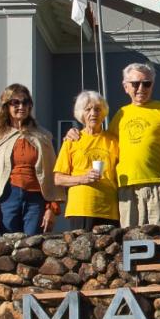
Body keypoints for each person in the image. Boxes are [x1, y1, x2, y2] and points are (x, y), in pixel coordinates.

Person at [67, 64, 160, 227]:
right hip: (126, 187)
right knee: (129, 237)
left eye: (146, 83)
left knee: (159, 236)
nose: (141, 88)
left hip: (158, 185)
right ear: (126, 87)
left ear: (152, 85)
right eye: (135, 84)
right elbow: (101, 139)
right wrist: (74, 132)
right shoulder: (121, 114)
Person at [0, 84, 60, 235]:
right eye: (16, 102)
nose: (21, 107)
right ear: (6, 106)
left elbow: (52, 174)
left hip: (36, 198)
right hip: (8, 197)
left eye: (25, 102)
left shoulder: (42, 136)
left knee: (32, 242)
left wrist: (51, 209)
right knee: (9, 243)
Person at [54, 90, 119, 231]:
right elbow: (58, 179)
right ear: (81, 114)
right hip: (81, 208)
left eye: (97, 109)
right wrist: (83, 178)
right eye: (88, 109)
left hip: (109, 209)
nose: (93, 113)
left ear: (103, 113)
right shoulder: (72, 140)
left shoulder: (114, 141)